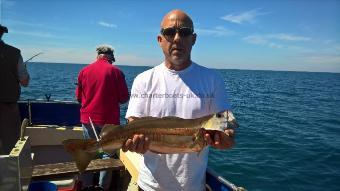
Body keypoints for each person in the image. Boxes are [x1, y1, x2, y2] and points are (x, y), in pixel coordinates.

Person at [124, 9, 237, 191]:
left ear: (193, 39)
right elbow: (133, 124)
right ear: (160, 40)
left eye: (184, 32)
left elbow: (227, 124)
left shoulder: (212, 79)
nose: (177, 38)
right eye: (169, 32)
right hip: (149, 186)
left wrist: (227, 140)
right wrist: (136, 142)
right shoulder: (143, 80)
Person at [76, 44, 129, 190]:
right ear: (111, 58)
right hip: (110, 122)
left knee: (89, 153)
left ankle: (86, 186)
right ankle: (102, 188)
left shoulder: (83, 71)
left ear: (97, 55)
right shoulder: (116, 72)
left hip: (88, 120)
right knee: (107, 155)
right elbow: (124, 98)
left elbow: (79, 97)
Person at [0, 24, 30, 155]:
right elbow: (24, 82)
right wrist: (25, 71)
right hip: (7, 107)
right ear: (2, 33)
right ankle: (8, 174)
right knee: (10, 144)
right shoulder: (14, 52)